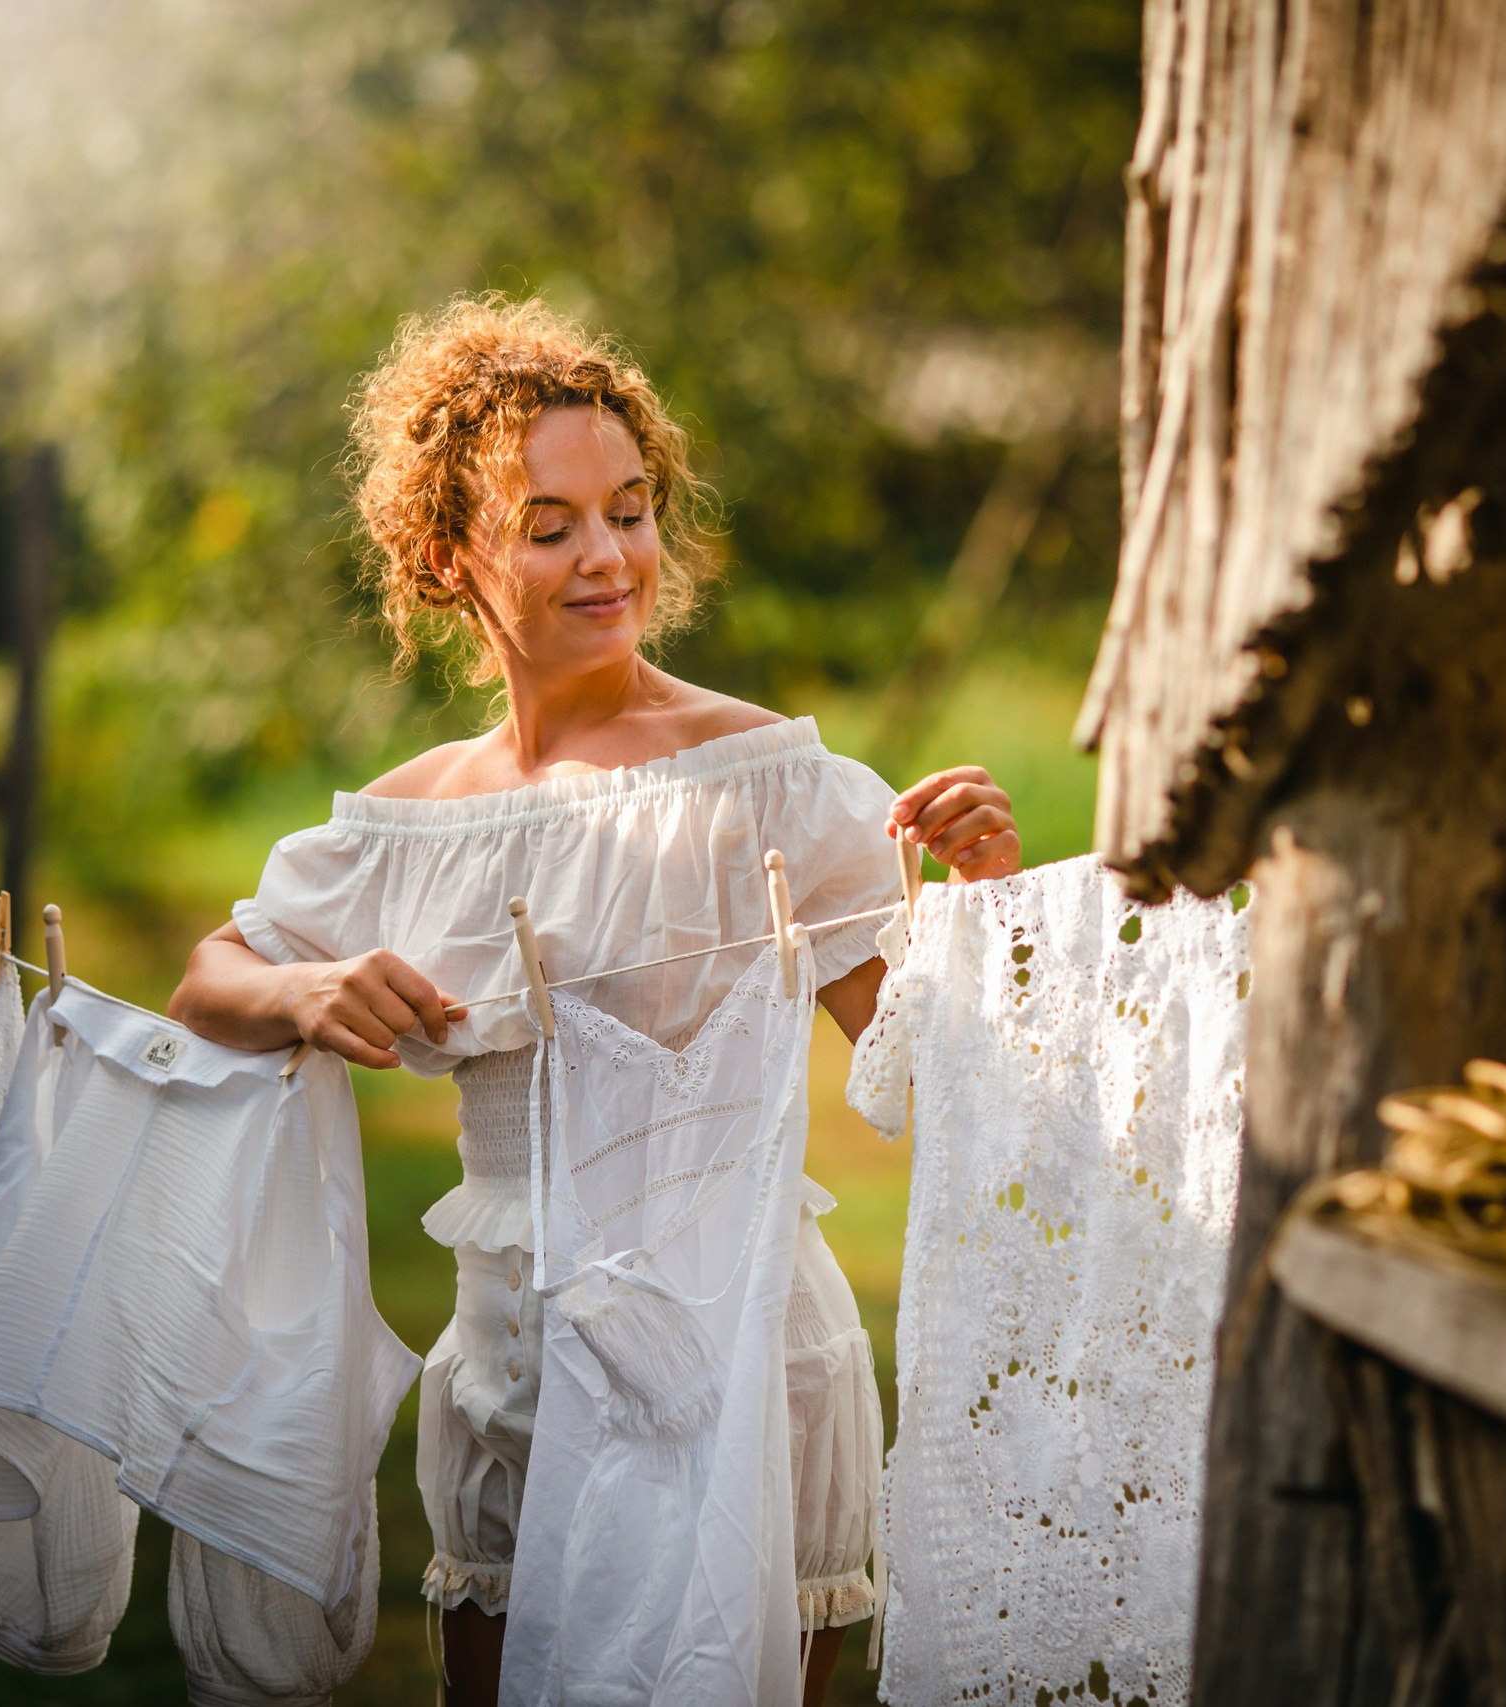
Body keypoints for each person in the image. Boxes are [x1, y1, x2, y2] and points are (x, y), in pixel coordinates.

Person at [168, 295, 1020, 1706]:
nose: (606, 554)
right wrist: (310, 987)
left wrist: (982, 900)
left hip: (752, 1363)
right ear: (452, 557)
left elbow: (933, 1065)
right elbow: (211, 981)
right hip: (516, 1370)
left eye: (628, 510)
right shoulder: (411, 822)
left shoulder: (765, 777)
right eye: (549, 522)